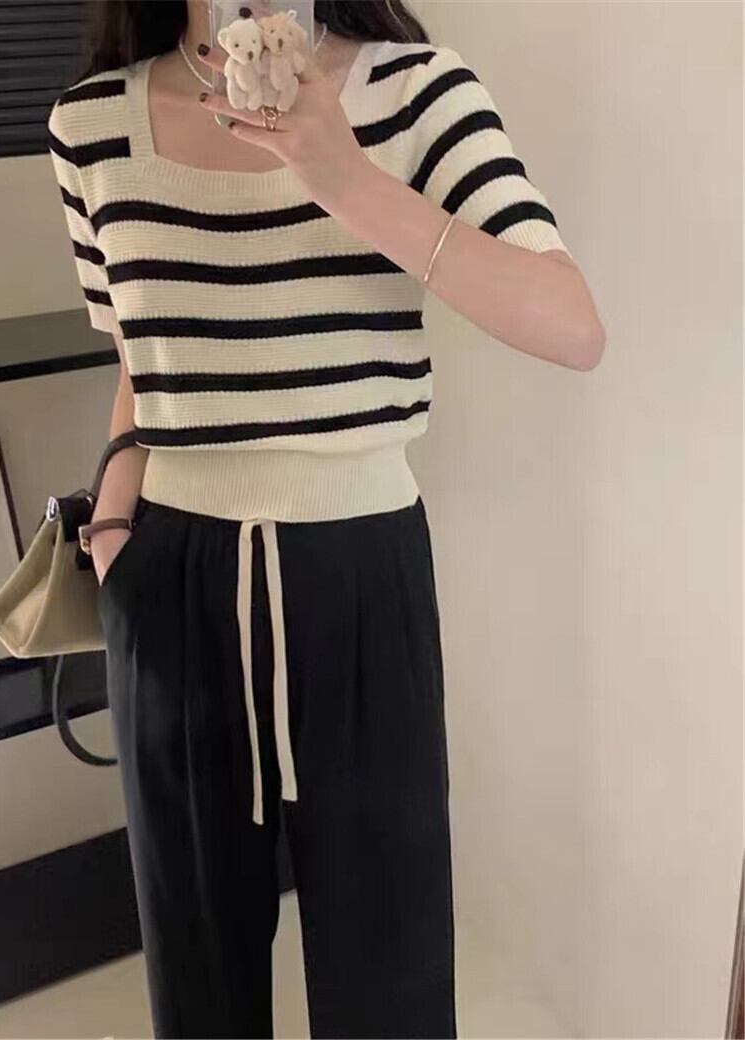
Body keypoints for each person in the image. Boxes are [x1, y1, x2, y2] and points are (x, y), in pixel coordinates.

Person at [46, 1, 604, 1036]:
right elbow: (139, 355)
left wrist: (343, 177)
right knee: (197, 974)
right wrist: (116, 530)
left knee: (390, 973)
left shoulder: (417, 90)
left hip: (360, 572)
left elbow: (572, 325)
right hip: (169, 580)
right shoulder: (89, 126)